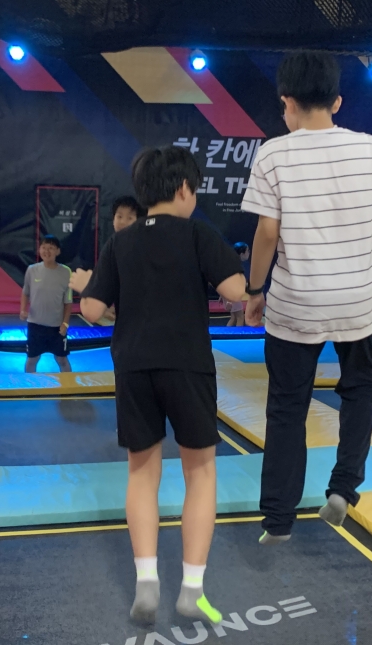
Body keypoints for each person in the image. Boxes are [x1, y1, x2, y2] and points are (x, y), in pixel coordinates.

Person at [241, 52, 372, 543]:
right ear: (337, 102)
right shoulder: (371, 147)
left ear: (286, 102)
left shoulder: (274, 153)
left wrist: (255, 290)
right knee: (359, 391)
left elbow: (266, 233)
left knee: (286, 406)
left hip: (296, 302)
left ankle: (278, 520)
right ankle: (344, 487)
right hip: (357, 302)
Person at [70, 146, 246, 626]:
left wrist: (86, 285)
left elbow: (91, 311)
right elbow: (235, 292)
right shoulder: (197, 233)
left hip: (133, 366)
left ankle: (146, 580)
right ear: (184, 189)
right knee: (200, 472)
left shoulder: (121, 242)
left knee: (141, 474)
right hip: (187, 364)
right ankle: (192, 589)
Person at [21, 235, 73, 373]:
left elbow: (68, 301)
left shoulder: (66, 272)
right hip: (35, 325)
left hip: (57, 327)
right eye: (44, 247)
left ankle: (68, 386)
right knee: (32, 359)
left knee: (62, 359)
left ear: (58, 251)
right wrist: (23, 310)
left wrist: (65, 323)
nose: (47, 251)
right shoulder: (31, 270)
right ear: (39, 250)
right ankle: (29, 385)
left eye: (51, 248)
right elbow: (25, 292)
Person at [104, 196, 147, 322]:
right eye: (119, 216)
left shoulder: (143, 248)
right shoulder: (112, 248)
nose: (123, 222)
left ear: (139, 221)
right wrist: (105, 307)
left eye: (130, 218)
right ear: (113, 219)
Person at [221, 242, 250, 326]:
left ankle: (227, 333)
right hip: (232, 295)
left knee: (233, 317)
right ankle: (238, 333)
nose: (249, 253)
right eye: (247, 251)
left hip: (229, 295)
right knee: (240, 317)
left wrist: (223, 296)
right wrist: (228, 300)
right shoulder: (235, 266)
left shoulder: (231, 263)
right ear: (241, 254)